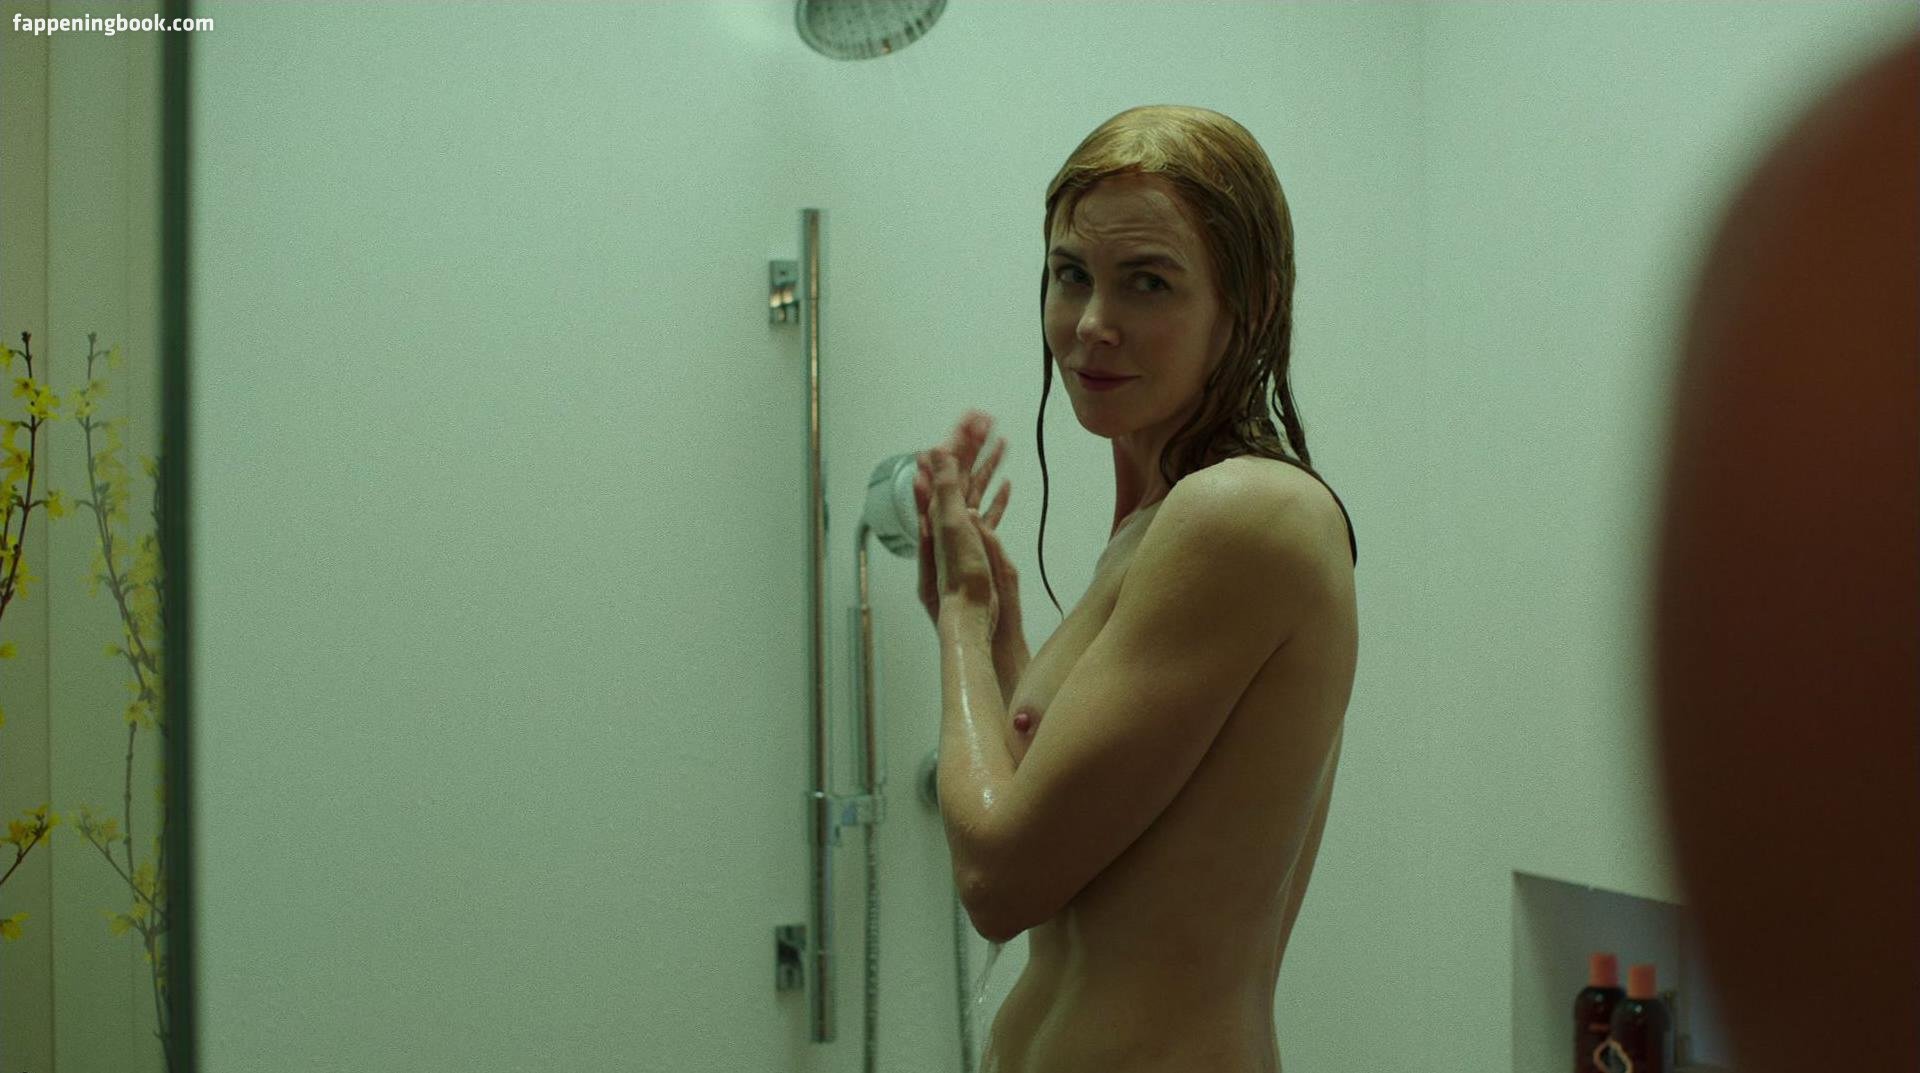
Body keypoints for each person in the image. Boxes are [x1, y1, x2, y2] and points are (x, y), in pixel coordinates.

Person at [914, 105, 1360, 1072]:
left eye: (1147, 282)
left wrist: (958, 620)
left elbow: (998, 880)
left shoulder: (1244, 513)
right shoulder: (1157, 526)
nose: (1091, 325)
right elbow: (1075, 825)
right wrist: (1001, 630)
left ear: (1250, 302)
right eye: (1071, 274)